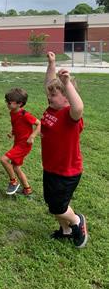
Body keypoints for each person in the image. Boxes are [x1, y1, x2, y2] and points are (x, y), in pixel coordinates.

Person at [41, 51, 88, 248]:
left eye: (53, 95)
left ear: (66, 99)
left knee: (57, 206)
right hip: (51, 167)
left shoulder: (70, 116)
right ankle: (66, 230)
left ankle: (77, 222)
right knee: (52, 203)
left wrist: (67, 83)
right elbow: (49, 82)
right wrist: (52, 63)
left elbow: (78, 107)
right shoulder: (52, 108)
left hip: (67, 171)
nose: (49, 96)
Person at [0, 88, 41, 195]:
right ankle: (27, 189)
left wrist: (32, 136)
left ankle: (13, 182)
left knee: (4, 160)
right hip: (17, 143)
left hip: (24, 145)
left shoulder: (25, 115)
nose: (7, 104)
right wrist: (12, 132)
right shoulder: (12, 112)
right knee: (16, 167)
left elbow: (40, 124)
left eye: (9, 102)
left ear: (20, 103)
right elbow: (16, 124)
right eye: (6, 101)